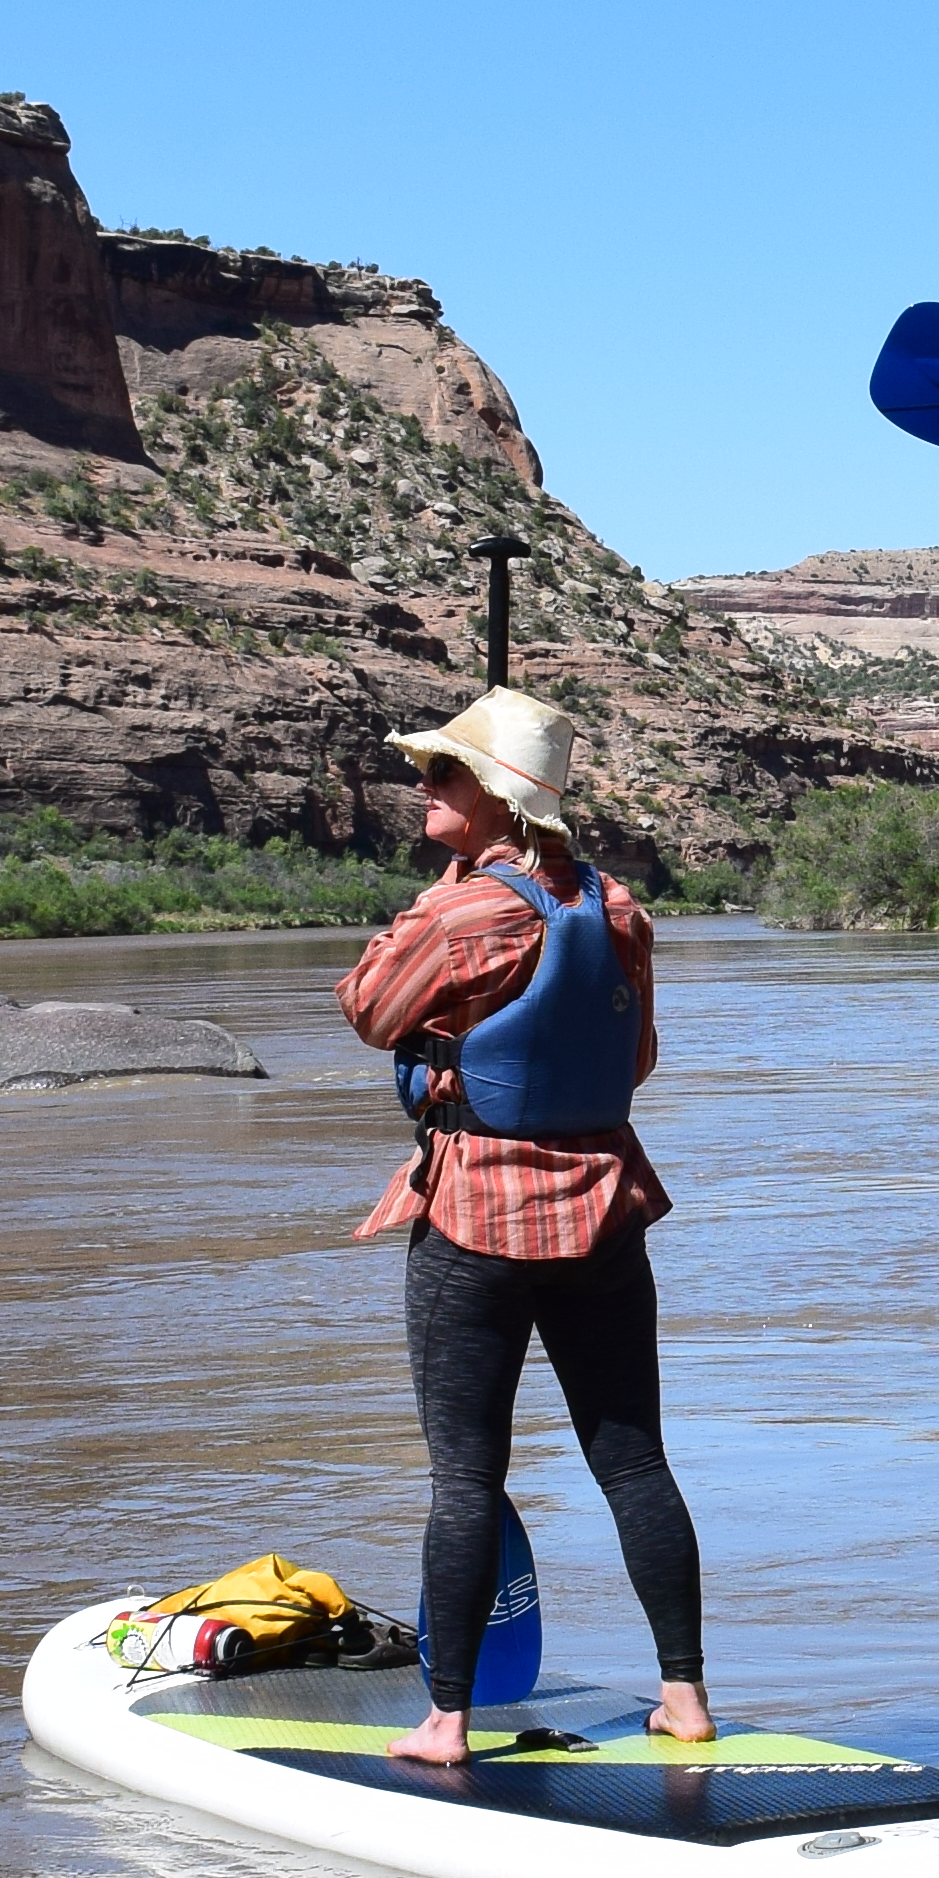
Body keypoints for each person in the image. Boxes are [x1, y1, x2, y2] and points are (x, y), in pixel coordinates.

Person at [334, 684, 715, 1766]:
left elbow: (369, 1008)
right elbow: (632, 1059)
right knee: (634, 1462)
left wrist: (438, 901)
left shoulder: (461, 911)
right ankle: (683, 1695)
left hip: (474, 1215)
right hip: (607, 1213)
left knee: (466, 1478)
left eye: (445, 773)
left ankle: (446, 1721)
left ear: (497, 796)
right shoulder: (619, 906)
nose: (426, 787)